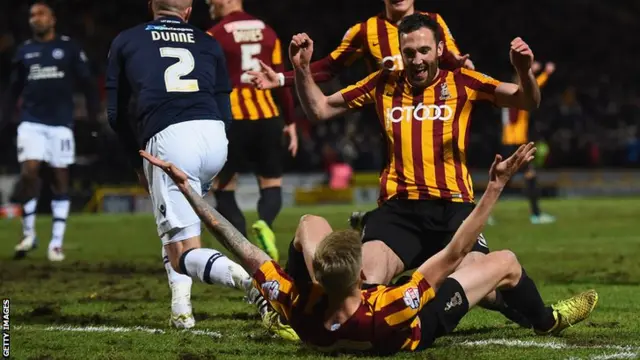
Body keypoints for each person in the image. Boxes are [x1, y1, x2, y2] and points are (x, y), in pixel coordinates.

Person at [140, 142, 598, 354]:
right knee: (503, 262)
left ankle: (508, 303)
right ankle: (544, 320)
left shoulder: (297, 303)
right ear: (358, 275)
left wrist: (189, 190)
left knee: (308, 221)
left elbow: (238, 243)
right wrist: (495, 187)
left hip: (325, 329)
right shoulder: (396, 305)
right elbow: (454, 252)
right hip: (421, 329)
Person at [289, 13, 555, 327]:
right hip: (398, 212)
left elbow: (527, 100)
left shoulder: (463, 83)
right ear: (401, 53)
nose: (417, 60)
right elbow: (319, 109)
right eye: (409, 52)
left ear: (440, 50)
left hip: (453, 210)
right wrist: (302, 69)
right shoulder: (383, 84)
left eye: (424, 51)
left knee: (477, 272)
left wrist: (523, 71)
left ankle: (503, 305)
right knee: (364, 281)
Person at [104, 0, 295, 339]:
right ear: (189, 10)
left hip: (172, 137)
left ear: (151, 6)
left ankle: (263, 290)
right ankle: (181, 311)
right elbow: (225, 104)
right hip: (215, 137)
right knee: (176, 231)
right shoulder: (207, 40)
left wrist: (136, 160)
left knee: (182, 254)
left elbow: (116, 115)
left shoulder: (127, 39)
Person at [1, 1, 100, 262]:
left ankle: (56, 243)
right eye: (32, 14)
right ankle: (29, 234)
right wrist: (3, 119)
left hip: (60, 124)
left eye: (41, 14)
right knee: (29, 171)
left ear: (52, 19)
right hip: (31, 122)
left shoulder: (68, 48)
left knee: (59, 178)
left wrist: (93, 118)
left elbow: (88, 84)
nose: (36, 18)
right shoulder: (24, 51)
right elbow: (13, 90)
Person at [205, 0, 299, 263]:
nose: (208, 4)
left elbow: (206, 82)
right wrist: (290, 122)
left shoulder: (214, 35)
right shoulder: (268, 32)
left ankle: (247, 251)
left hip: (231, 119)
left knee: (222, 187)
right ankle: (265, 223)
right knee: (271, 183)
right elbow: (280, 80)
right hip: (268, 117)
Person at [500, 61, 556, 224]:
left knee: (504, 180)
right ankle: (536, 215)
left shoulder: (506, 95)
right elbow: (534, 85)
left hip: (508, 142)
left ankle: (482, 214)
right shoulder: (518, 94)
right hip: (516, 143)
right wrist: (543, 72)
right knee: (528, 177)